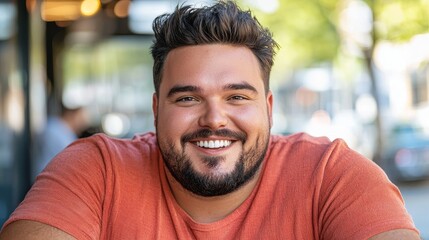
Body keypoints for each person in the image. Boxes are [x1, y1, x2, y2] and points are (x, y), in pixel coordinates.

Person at [0, 1, 420, 239]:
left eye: (237, 96)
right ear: (155, 110)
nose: (214, 119)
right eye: (187, 98)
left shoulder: (331, 175)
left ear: (270, 108)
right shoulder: (96, 169)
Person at [32, 104, 89, 179]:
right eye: (80, 118)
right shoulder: (56, 131)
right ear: (71, 114)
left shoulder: (55, 127)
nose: (83, 124)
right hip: (48, 181)